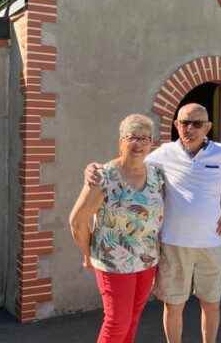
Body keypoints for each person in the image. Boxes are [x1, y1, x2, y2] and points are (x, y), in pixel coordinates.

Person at [85, 103, 221, 343]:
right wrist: (95, 168)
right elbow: (130, 158)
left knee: (211, 305)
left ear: (208, 127)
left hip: (211, 244)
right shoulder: (163, 154)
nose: (190, 128)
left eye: (197, 123)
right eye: (185, 122)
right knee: (173, 306)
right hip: (173, 244)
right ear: (176, 125)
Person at [69, 114, 165, 343]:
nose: (139, 144)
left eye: (145, 138)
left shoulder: (157, 173)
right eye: (133, 137)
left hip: (147, 260)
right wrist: (87, 254)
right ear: (121, 140)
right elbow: (76, 220)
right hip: (113, 262)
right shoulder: (104, 176)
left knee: (132, 318)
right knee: (117, 322)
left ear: (152, 143)